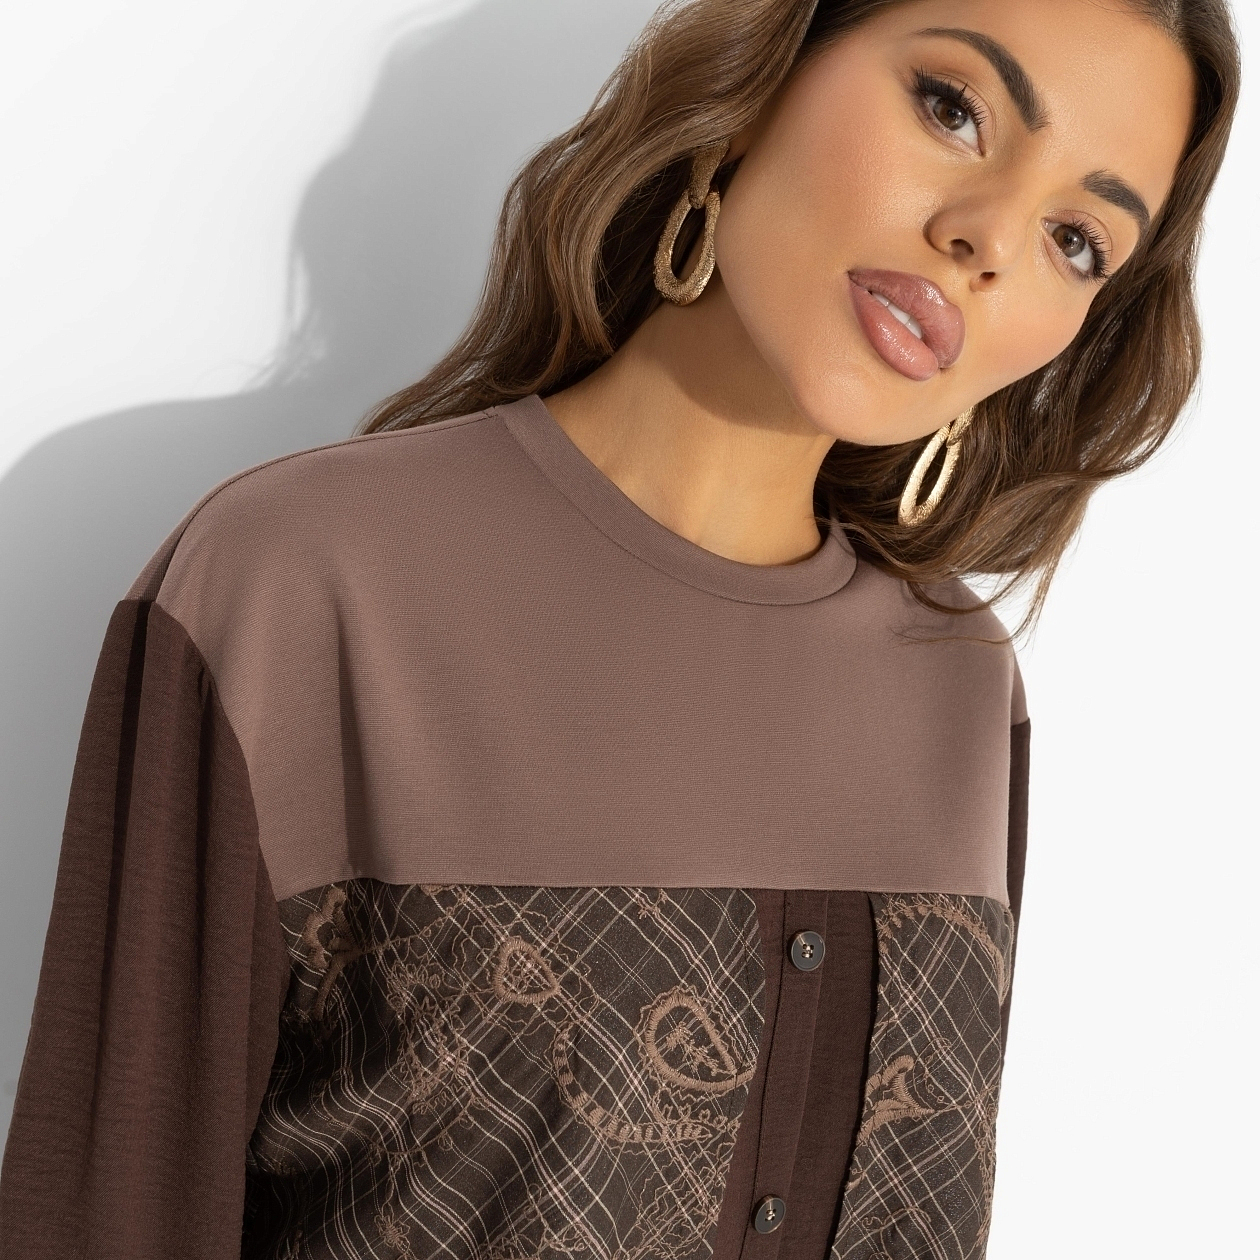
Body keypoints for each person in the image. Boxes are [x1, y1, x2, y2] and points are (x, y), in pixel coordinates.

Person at [0, 1, 1240, 1257]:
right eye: (953, 108)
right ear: (762, 81)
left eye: (1078, 240)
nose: (989, 240)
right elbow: (113, 1213)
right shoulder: (306, 583)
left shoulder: (959, 686)